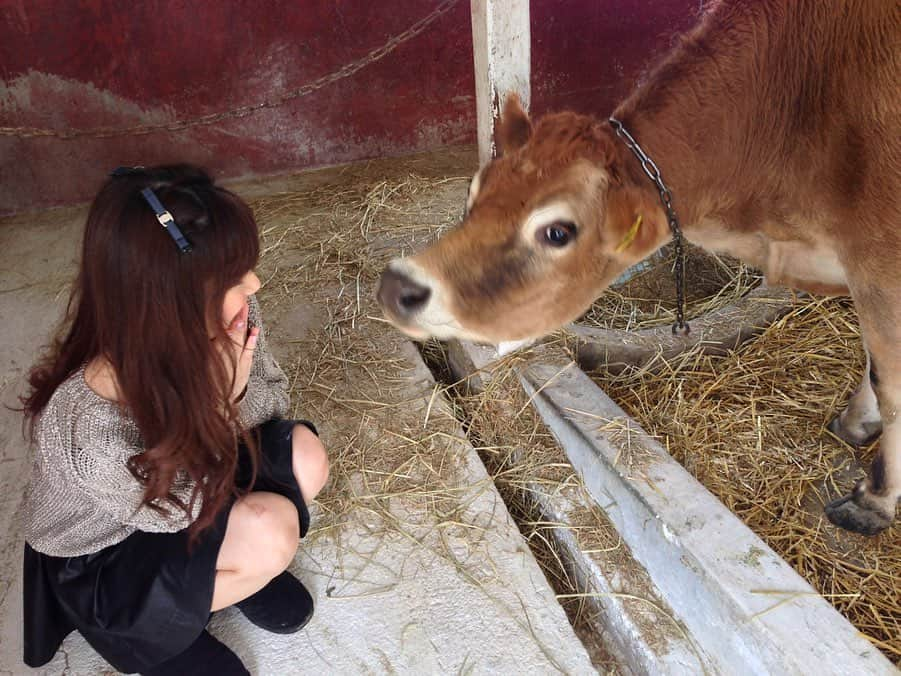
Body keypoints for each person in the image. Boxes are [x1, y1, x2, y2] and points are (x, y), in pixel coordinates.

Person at [19, 164, 329, 675]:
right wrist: (219, 403)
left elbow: (273, 405)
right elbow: (173, 510)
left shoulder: (232, 317)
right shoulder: (87, 420)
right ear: (171, 303)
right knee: (271, 533)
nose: (254, 283)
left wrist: (239, 387)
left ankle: (227, 577)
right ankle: (163, 633)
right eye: (234, 275)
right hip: (112, 548)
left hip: (197, 480)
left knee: (303, 453)